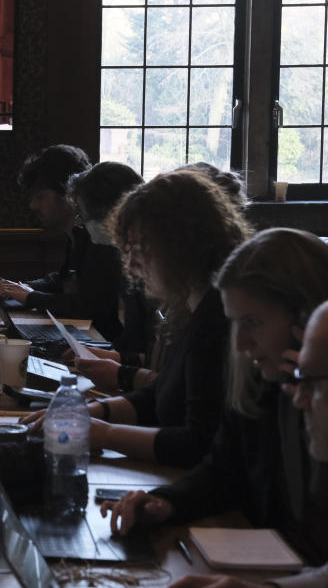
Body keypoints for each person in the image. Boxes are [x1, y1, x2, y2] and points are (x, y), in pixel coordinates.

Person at [100, 228, 328, 577]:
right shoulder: (261, 380)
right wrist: (166, 502)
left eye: (252, 323)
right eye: (235, 323)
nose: (240, 345)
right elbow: (224, 470)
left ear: (307, 318)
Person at [23, 170, 252, 467]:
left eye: (138, 248)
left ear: (178, 245)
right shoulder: (192, 308)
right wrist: (89, 413)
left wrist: (104, 434)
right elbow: (163, 393)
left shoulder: (218, 318)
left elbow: (198, 443)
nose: (130, 263)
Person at [0, 144, 123, 340]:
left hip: (101, 344)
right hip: (86, 339)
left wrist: (30, 296)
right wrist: (20, 288)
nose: (33, 206)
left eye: (40, 196)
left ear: (67, 193)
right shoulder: (78, 233)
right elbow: (62, 279)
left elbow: (89, 307)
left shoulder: (99, 237)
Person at [62, 161, 159, 392]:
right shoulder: (131, 259)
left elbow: (169, 373)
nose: (82, 225)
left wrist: (120, 369)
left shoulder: (155, 269)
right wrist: (112, 357)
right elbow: (150, 355)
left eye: (83, 216)